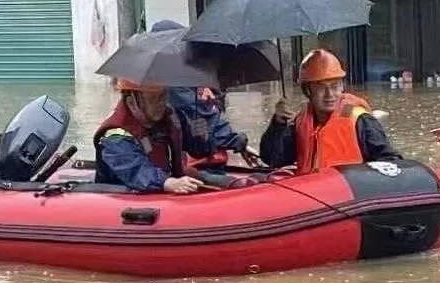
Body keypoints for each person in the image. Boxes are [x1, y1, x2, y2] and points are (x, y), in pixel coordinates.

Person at [260, 49, 400, 174]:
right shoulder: (300, 122)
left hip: (349, 198)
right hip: (314, 197)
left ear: (341, 87)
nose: (330, 95)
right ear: (308, 91)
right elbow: (273, 159)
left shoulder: (360, 120)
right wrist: (277, 124)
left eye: (334, 86)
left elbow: (391, 163)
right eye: (321, 88)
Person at [150, 20, 261, 169]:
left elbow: (211, 116)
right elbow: (202, 115)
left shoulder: (193, 77)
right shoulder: (171, 83)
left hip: (209, 155)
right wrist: (237, 141)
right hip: (196, 164)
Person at [94, 79, 203, 194]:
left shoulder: (169, 117)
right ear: (132, 102)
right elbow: (136, 171)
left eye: (163, 96)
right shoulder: (116, 136)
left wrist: (201, 136)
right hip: (127, 198)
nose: (161, 103)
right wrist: (166, 182)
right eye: (154, 99)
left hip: (166, 186)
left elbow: (197, 151)